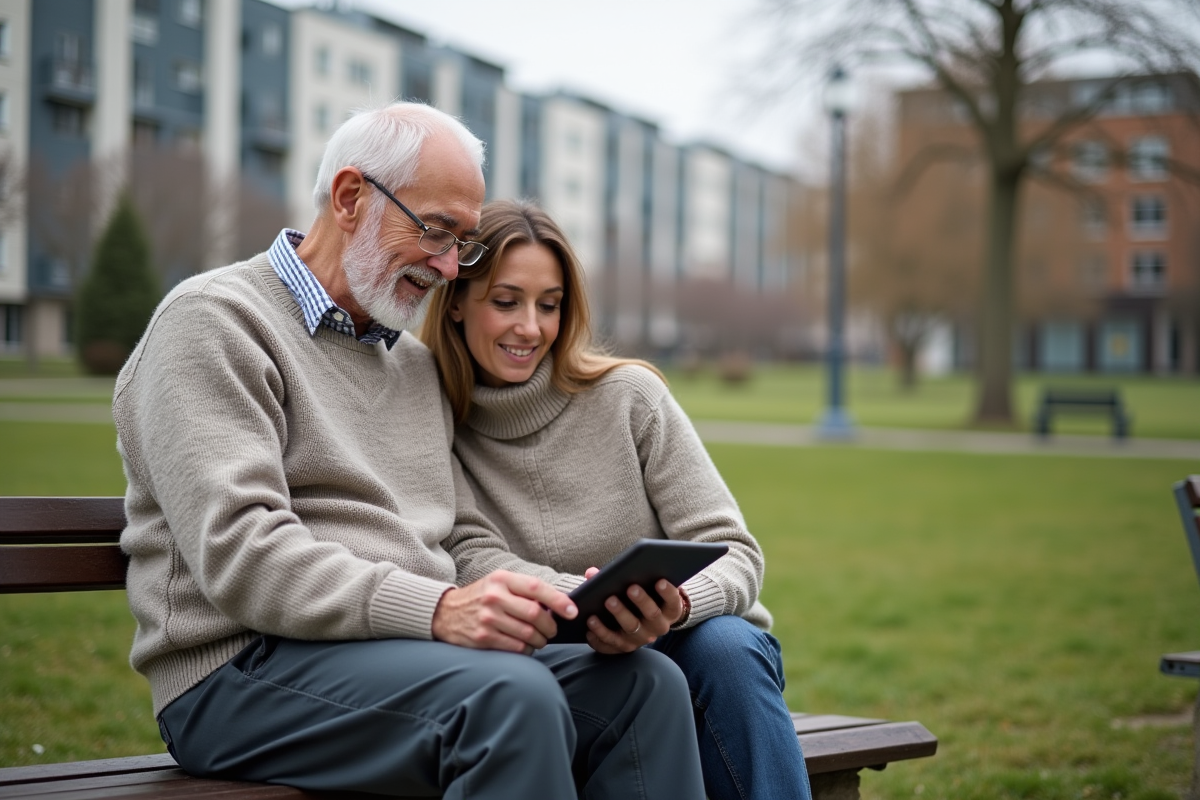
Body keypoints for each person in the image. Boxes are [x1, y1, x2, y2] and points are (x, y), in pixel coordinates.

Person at [113, 103, 706, 799]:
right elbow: (244, 554)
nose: (450, 265)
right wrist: (436, 610)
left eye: (465, 243)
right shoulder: (214, 323)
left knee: (644, 685)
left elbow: (457, 536)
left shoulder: (410, 366)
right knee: (507, 700)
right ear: (349, 197)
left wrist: (566, 598)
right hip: (239, 673)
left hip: (404, 655)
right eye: (434, 231)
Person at [422, 199, 814, 800]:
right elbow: (473, 558)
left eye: (549, 305)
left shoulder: (630, 397)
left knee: (729, 650)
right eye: (506, 301)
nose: (531, 326)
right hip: (554, 657)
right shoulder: (432, 421)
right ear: (455, 304)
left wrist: (674, 605)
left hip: (694, 642)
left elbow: (734, 551)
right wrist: (593, 606)